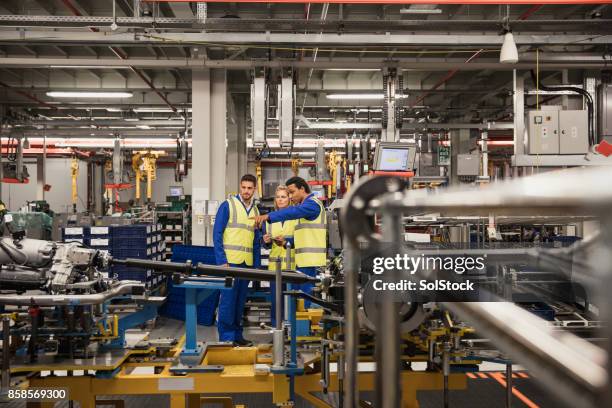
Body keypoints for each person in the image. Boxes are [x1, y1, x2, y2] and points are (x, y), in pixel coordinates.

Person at [252, 176, 326, 304]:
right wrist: (286, 242)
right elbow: (302, 236)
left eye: (291, 192)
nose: (290, 197)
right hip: (302, 261)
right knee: (297, 304)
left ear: (302, 189)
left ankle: (306, 324)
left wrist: (268, 216)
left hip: (309, 261)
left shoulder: (312, 204)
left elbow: (292, 212)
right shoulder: (306, 205)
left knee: (304, 304)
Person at [213, 174, 261, 345]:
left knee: (240, 302)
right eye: (244, 187)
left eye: (249, 188)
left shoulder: (255, 211)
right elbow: (217, 234)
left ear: (254, 189)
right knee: (227, 302)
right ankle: (227, 337)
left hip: (246, 264)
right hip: (230, 263)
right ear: (240, 187)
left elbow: (256, 241)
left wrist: (256, 267)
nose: (246, 191)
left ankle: (237, 336)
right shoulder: (228, 205)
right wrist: (221, 261)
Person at [263, 185, 297, 326]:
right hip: (274, 268)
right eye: (278, 197)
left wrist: (286, 242)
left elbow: (300, 240)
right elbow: (267, 245)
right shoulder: (269, 219)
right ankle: (276, 331)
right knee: (276, 301)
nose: (280, 200)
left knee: (292, 301)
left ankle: (291, 332)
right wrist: (266, 242)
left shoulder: (296, 217)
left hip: (292, 267)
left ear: (289, 198)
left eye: (283, 197)